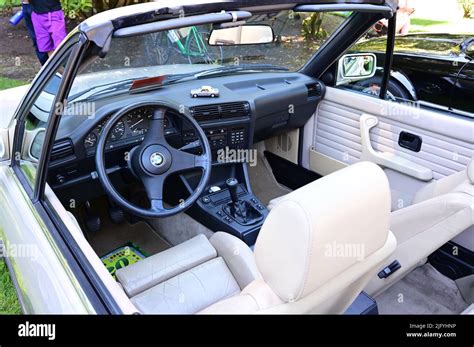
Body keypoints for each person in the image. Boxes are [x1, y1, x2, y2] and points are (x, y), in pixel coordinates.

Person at [21, 0, 49, 65]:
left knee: (45, 40)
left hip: (37, 6)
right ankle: (47, 69)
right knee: (36, 41)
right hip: (25, 5)